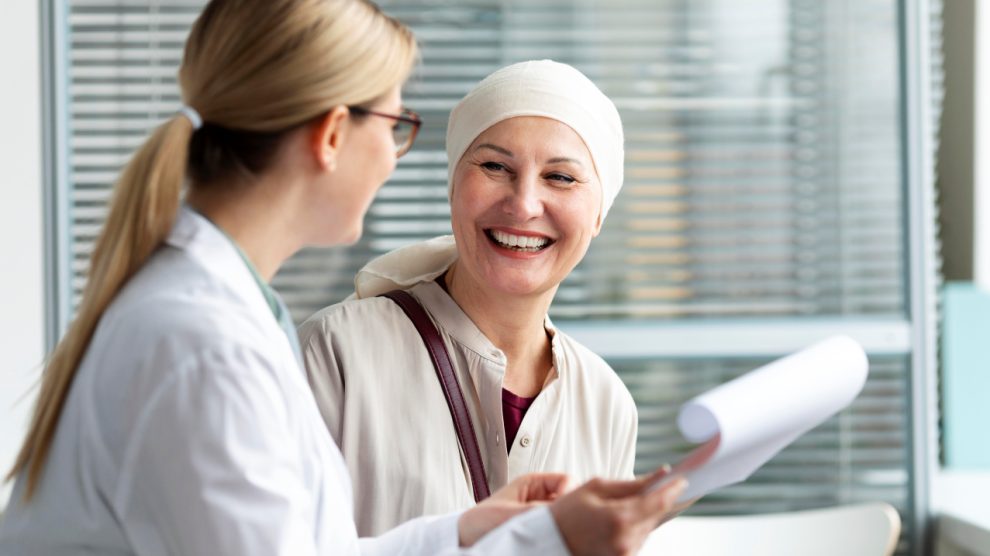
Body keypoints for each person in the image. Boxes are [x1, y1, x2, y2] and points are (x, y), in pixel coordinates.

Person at [0, 1, 686, 556]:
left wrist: (470, 529)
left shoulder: (220, 316)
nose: (393, 156)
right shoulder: (208, 345)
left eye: (561, 177)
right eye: (394, 124)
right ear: (332, 135)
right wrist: (539, 541)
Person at [298, 60, 644, 536]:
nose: (523, 204)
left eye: (561, 177)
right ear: (453, 185)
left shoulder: (605, 402)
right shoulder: (336, 352)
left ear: (599, 213)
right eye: (495, 166)